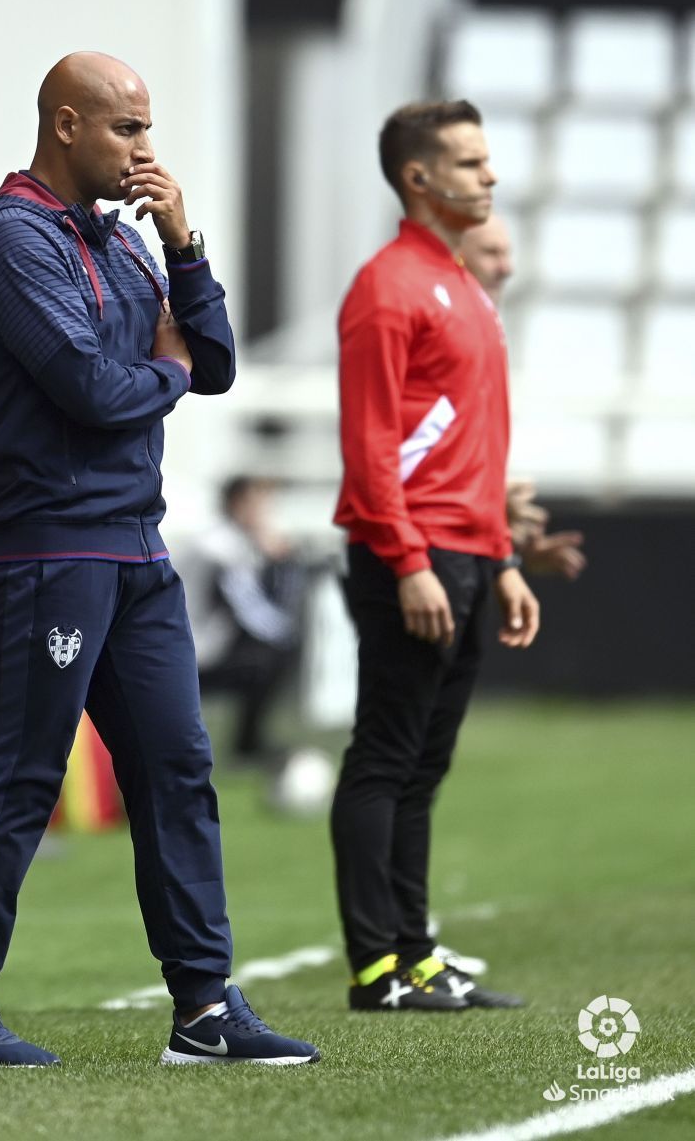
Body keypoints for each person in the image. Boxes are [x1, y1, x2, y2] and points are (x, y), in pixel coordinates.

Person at [0, 52, 319, 1068]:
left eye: (147, 130)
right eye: (128, 130)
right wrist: (165, 364)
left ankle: (204, 1011)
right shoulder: (8, 240)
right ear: (65, 125)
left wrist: (183, 242)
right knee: (21, 772)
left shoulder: (126, 246)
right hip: (48, 548)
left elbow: (212, 362)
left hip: (135, 544)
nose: (146, 151)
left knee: (178, 769)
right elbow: (95, 391)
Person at [331, 100, 539, 1013]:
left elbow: (478, 449)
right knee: (384, 757)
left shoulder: (461, 286)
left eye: (487, 161)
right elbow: (371, 444)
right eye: (469, 161)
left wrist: (500, 559)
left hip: (462, 553)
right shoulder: (389, 287)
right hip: (407, 557)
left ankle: (417, 956)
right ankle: (376, 967)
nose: (488, 176)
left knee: (421, 767)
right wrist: (411, 558)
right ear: (420, 178)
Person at [460, 216, 587, 582]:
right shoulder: (434, 343)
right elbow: (409, 462)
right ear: (454, 256)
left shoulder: (485, 338)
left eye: (508, 253)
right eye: (491, 252)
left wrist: (514, 546)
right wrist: (487, 500)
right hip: (428, 566)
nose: (507, 267)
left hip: (465, 563)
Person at [186, 475, 306, 764]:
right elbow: (255, 614)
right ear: (238, 504)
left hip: (204, 648)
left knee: (274, 653)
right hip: (197, 653)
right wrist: (283, 562)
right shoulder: (220, 546)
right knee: (277, 654)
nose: (266, 513)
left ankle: (246, 742)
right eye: (260, 504)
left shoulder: (230, 541)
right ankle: (246, 744)